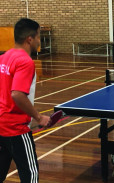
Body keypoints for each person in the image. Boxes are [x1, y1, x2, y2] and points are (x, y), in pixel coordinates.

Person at [0, 18, 51, 183]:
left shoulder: (5, 57)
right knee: (31, 176)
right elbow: (17, 94)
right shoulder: (25, 61)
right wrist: (39, 117)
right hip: (16, 129)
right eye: (38, 37)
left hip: (1, 125)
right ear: (30, 39)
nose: (39, 41)